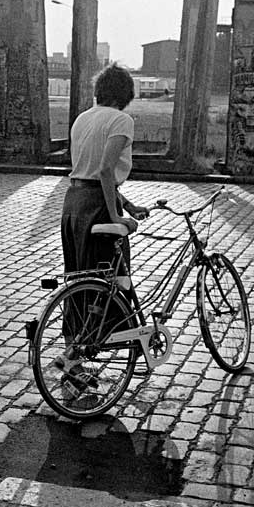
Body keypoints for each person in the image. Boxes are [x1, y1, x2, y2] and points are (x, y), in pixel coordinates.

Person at [57, 62, 149, 394]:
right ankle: (89, 349)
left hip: (74, 203)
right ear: (126, 95)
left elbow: (90, 172)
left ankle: (72, 354)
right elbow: (106, 170)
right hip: (97, 208)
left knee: (78, 278)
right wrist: (117, 216)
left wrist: (126, 205)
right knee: (108, 278)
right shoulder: (121, 120)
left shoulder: (84, 117)